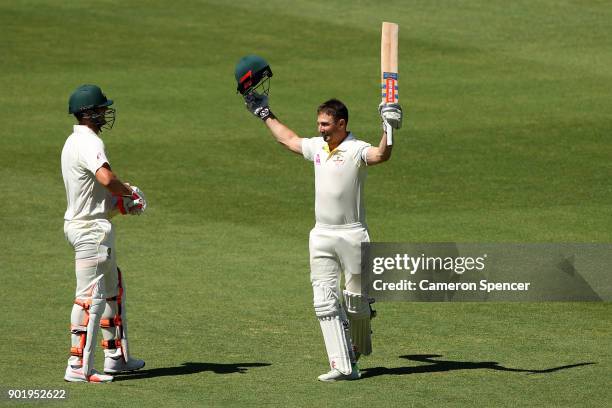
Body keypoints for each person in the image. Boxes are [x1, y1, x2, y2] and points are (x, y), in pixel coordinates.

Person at [243, 90, 402, 381]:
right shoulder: (317, 147)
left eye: (326, 125)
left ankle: (360, 341)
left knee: (355, 302)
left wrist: (388, 127)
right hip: (321, 235)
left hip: (353, 235)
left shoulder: (356, 149)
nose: (320, 129)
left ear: (341, 124)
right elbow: (288, 140)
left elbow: (382, 154)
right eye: (319, 124)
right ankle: (343, 366)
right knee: (324, 301)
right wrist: (264, 113)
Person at [61, 84, 147, 383]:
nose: (106, 113)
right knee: (90, 298)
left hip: (90, 226)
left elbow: (92, 197)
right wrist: (129, 194)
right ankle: (77, 366)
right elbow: (106, 178)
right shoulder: (89, 143)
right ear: (89, 113)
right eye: (101, 109)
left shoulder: (74, 142)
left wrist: (122, 204)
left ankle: (116, 357)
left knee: (112, 288)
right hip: (90, 233)